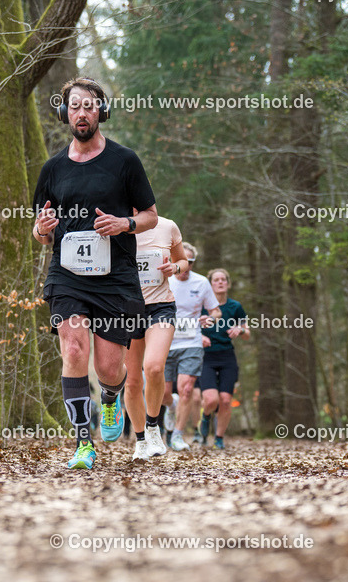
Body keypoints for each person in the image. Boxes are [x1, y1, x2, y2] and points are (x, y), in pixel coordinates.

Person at [33, 77, 158, 469]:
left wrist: (124, 224)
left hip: (115, 274)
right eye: (74, 106)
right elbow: (38, 230)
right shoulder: (52, 168)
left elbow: (150, 217)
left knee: (108, 367)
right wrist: (42, 230)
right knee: (72, 350)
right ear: (64, 112)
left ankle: (109, 397)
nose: (81, 113)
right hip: (67, 273)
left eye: (89, 106)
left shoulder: (125, 161)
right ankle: (82, 443)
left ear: (101, 112)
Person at [122, 214, 189, 460]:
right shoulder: (116, 225)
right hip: (125, 309)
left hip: (160, 306)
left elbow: (182, 261)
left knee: (153, 367)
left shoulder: (168, 225)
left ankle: (153, 427)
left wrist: (174, 267)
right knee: (131, 382)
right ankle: (140, 441)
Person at [162, 243, 220, 451]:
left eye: (191, 262)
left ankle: (177, 434)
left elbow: (216, 311)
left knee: (186, 389)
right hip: (165, 340)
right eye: (182, 261)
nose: (186, 266)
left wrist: (210, 319)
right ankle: (170, 405)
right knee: (163, 392)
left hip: (191, 342)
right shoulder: (165, 279)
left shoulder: (202, 282)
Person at [196, 268, 250, 449]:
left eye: (223, 280)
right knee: (211, 400)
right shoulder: (202, 306)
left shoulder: (235, 307)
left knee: (226, 400)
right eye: (216, 280)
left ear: (228, 283)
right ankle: (205, 417)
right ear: (210, 284)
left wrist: (240, 330)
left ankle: (219, 437)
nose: (220, 282)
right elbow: (189, 327)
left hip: (227, 356)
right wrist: (200, 337)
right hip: (206, 357)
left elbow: (247, 332)